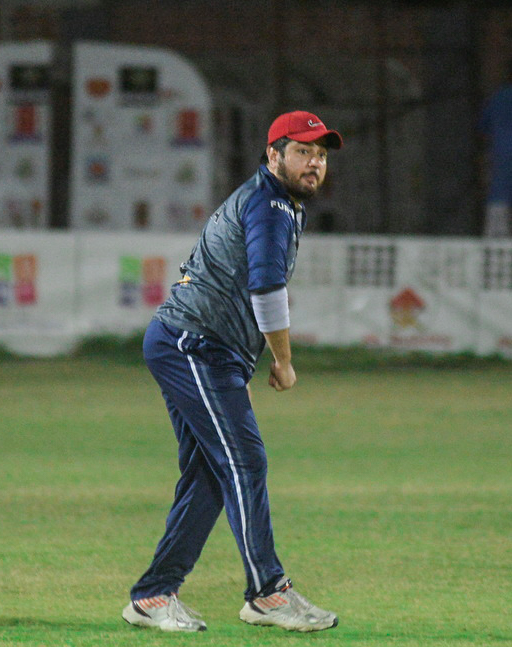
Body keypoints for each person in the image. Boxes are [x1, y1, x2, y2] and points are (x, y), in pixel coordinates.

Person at [121, 111, 342, 633]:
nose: (314, 163)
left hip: (194, 344)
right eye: (303, 151)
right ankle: (268, 593)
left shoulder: (276, 201)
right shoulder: (270, 205)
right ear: (273, 155)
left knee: (210, 475)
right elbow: (266, 288)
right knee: (245, 461)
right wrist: (283, 361)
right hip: (195, 346)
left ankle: (153, 597)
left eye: (321, 155)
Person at [478, 61, 512, 237]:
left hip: (501, 153)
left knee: (499, 194)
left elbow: (483, 128)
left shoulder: (497, 98)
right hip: (502, 153)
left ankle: (497, 237)